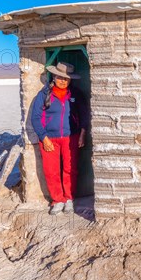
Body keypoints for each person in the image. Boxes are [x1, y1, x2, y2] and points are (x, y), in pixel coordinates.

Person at [31, 62, 89, 215]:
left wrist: (82, 133)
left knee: (70, 169)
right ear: (54, 76)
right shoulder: (44, 94)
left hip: (71, 137)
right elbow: (35, 118)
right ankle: (57, 200)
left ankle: (69, 198)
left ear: (70, 80)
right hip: (49, 138)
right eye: (59, 77)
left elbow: (84, 115)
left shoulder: (76, 94)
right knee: (51, 171)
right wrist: (44, 138)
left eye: (66, 78)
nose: (63, 81)